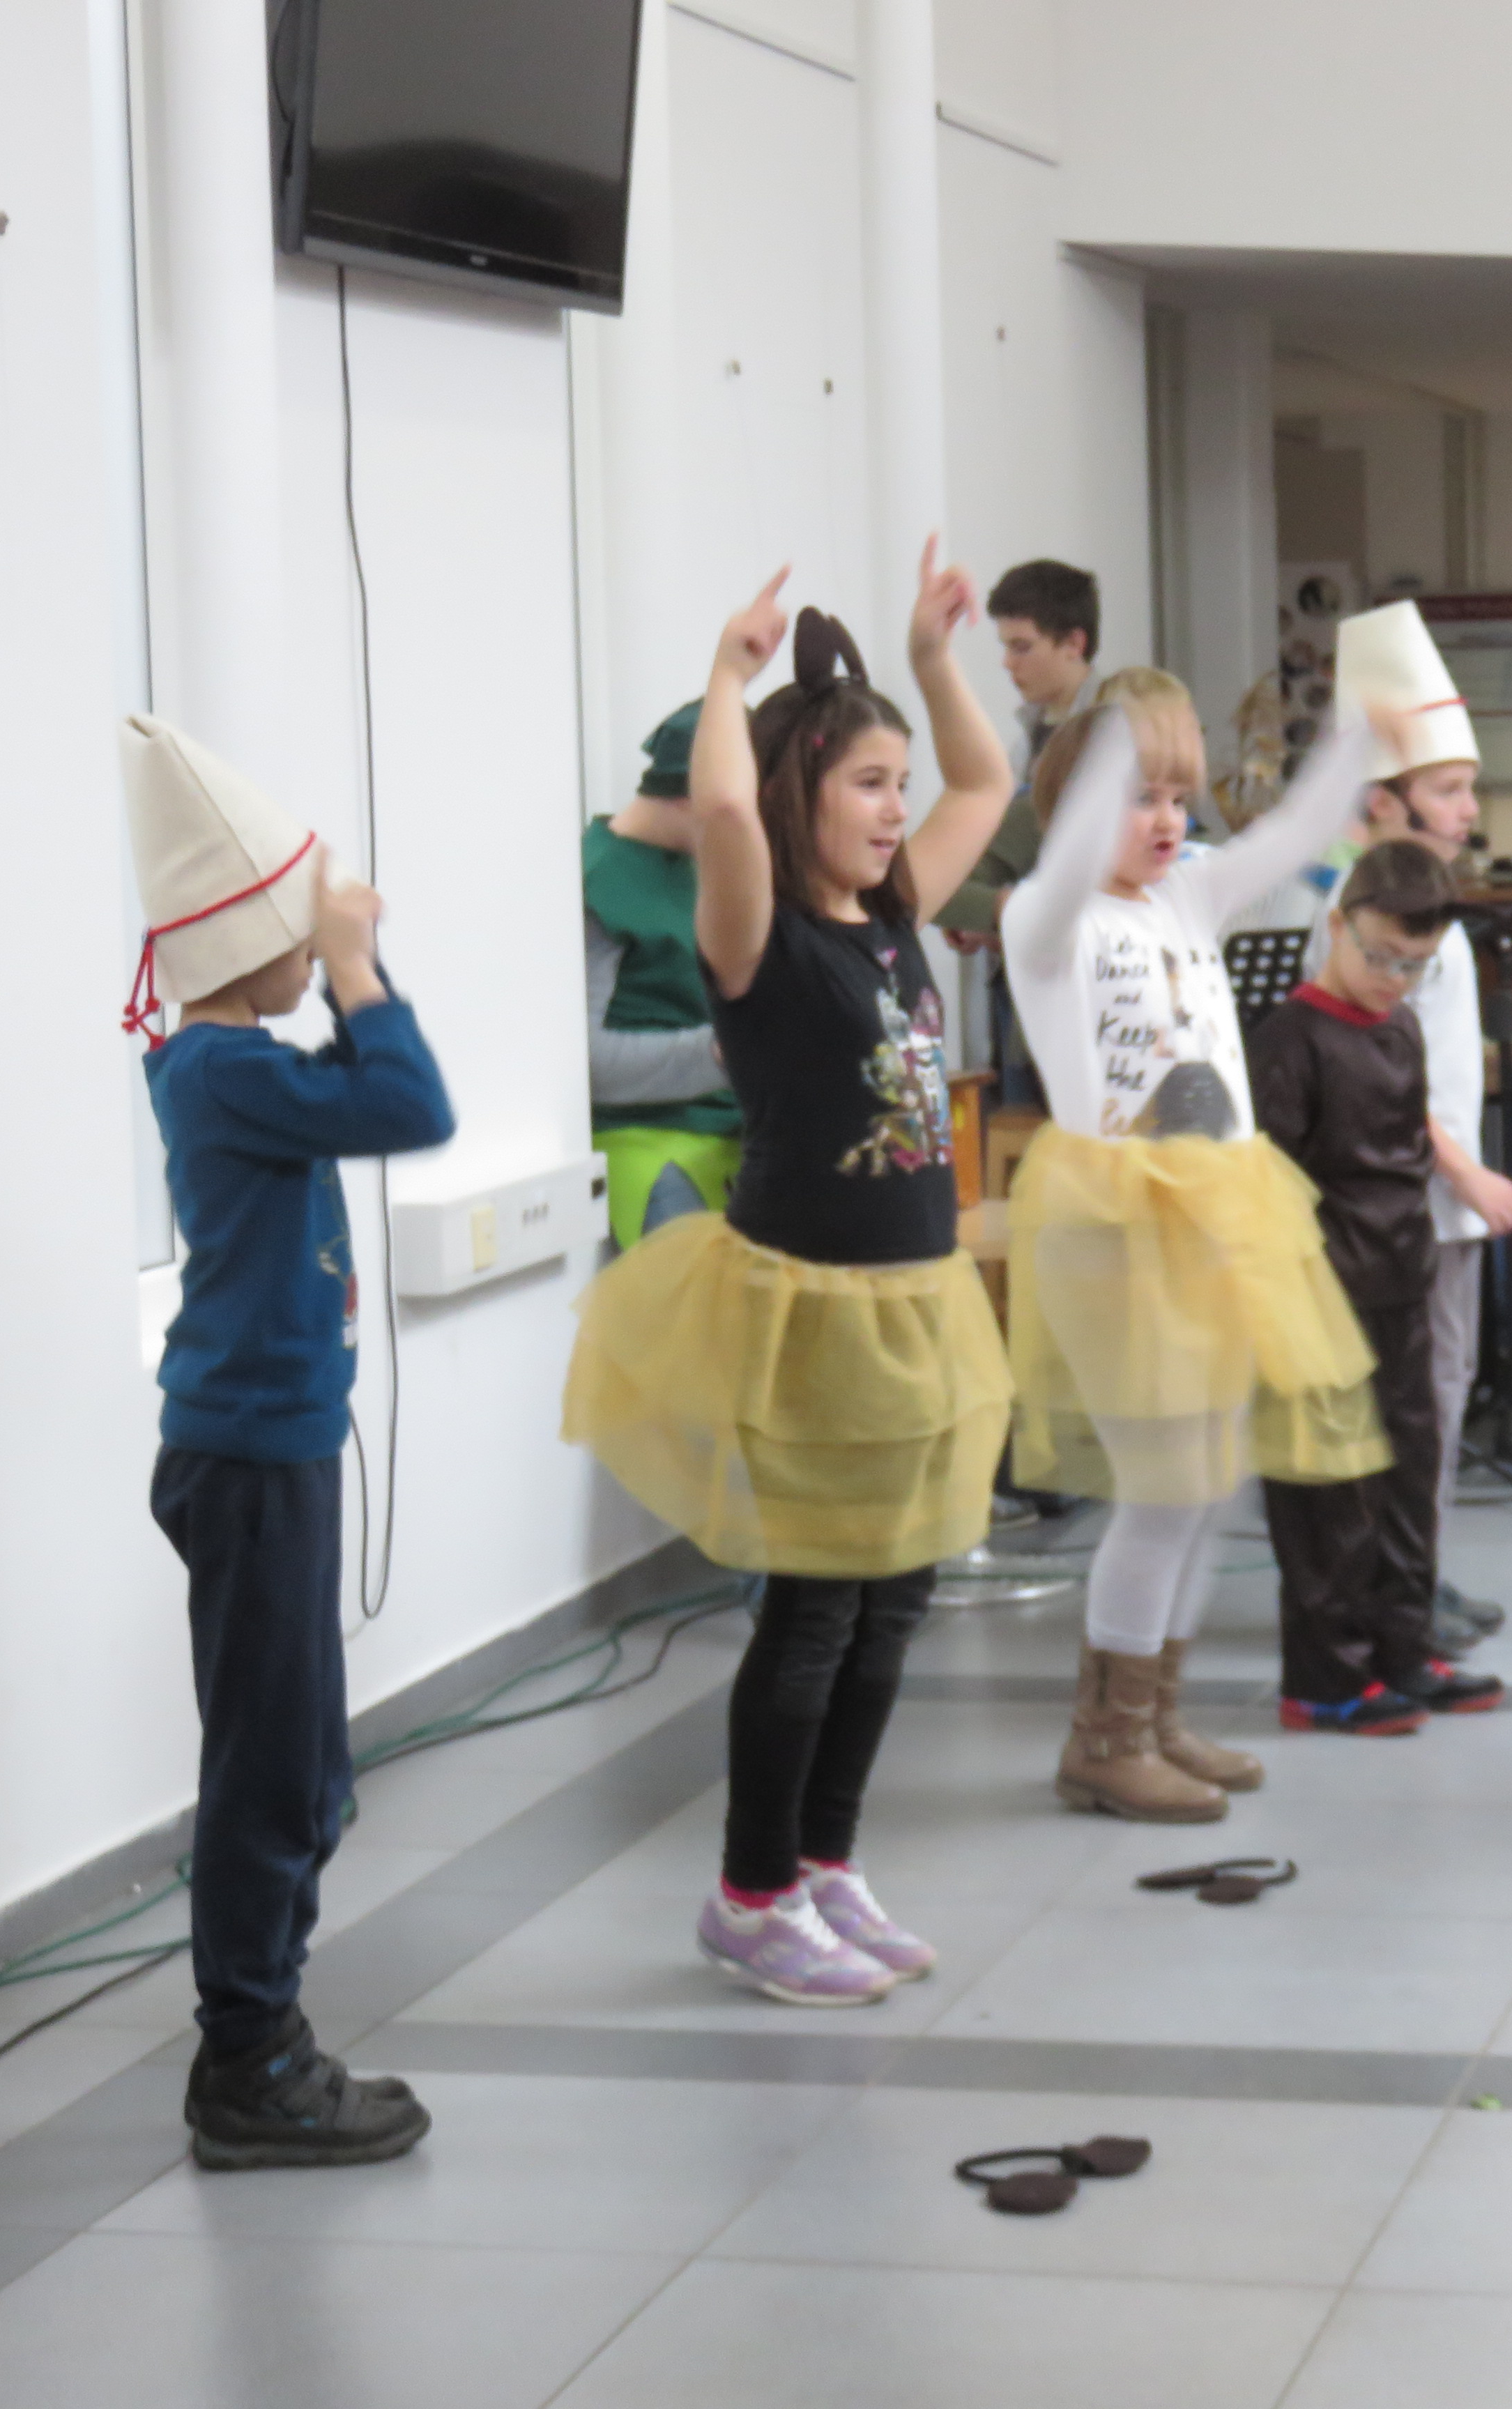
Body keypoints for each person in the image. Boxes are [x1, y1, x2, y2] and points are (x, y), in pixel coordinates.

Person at [565, 551, 1017, 2005]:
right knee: (814, 1613)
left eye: (898, 785)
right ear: (798, 796)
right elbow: (716, 811)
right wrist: (725, 675)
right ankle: (750, 1893)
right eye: (868, 784)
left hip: (914, 1308)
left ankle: (825, 1862)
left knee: (894, 1606)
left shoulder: (896, 915)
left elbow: (988, 785)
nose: (896, 810)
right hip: (813, 1314)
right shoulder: (755, 939)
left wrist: (933, 663)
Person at [123, 715, 455, 2168]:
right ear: (241, 938)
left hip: (274, 1448)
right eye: (299, 932)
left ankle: (265, 2038)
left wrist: (338, 968)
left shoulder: (234, 1065)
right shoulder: (222, 1073)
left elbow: (376, 1094)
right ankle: (248, 2061)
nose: (317, 954)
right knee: (270, 1772)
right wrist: (360, 970)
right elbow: (410, 1101)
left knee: (305, 1768)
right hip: (254, 1460)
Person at [1002, 675, 1387, 1819]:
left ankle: (1154, 1716)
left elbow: (1292, 838)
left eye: (1179, 796)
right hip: (1115, 1233)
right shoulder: (1046, 917)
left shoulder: (1184, 897)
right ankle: (1103, 1739)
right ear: (1084, 801)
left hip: (1215, 1216)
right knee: (1164, 1488)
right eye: (1141, 796)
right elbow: (1075, 843)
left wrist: (1355, 740)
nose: (1168, 819)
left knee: (1210, 1485)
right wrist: (1114, 747)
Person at [1251, 841, 1507, 1729]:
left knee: (1408, 1475)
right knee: (1330, 1497)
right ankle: (1324, 1679)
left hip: (1401, 1285)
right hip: (1323, 1300)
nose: (1396, 980)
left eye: (1416, 965)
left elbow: (1407, 1159)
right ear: (1337, 926)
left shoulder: (1398, 1028)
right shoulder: (1289, 1039)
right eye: (1381, 956)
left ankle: (1403, 1646)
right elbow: (1269, 1186)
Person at [1337, 599, 1512, 1655]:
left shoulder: (1430, 906)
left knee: (1443, 1392)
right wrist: (1467, 1171)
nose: (1468, 809)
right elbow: (1376, 1067)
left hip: (1439, 1198)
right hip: (1405, 1201)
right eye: (1448, 789)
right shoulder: (1360, 913)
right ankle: (1391, 1583)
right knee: (1407, 1398)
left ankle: (1421, 1570)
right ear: (1384, 799)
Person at [586, 698, 742, 1248]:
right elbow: (589, 1064)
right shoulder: (599, 879)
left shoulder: (707, 867)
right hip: (650, 1149)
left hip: (738, 1144)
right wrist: (725, 1051)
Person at [936, 557, 1099, 952]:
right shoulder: (1025, 743)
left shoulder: (1114, 736)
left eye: (1022, 647)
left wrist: (995, 911)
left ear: (1074, 644)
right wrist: (985, 922)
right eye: (1006, 646)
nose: (1007, 663)